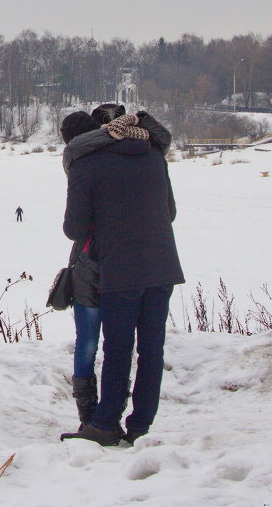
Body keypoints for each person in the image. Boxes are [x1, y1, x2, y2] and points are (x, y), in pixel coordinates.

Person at [61, 105, 182, 446]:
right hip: (162, 265)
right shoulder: (154, 156)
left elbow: (74, 229)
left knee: (118, 349)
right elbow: (169, 212)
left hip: (120, 267)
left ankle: (105, 424)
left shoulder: (85, 165)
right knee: (151, 350)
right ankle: (141, 426)